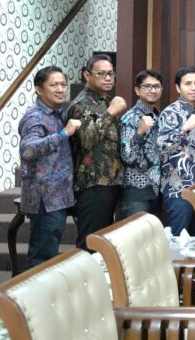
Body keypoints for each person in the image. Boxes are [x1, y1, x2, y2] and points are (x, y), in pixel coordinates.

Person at [19, 66, 81, 268]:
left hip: (59, 195)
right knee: (41, 257)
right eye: (54, 85)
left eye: (63, 84)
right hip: (45, 197)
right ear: (39, 89)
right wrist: (64, 134)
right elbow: (28, 150)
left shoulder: (59, 113)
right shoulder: (35, 117)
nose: (60, 89)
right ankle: (32, 289)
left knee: (49, 253)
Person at [66, 54, 127, 251]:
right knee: (90, 243)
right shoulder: (81, 104)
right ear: (87, 75)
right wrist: (110, 113)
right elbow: (86, 141)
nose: (108, 78)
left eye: (111, 74)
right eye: (101, 74)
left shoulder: (104, 101)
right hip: (92, 183)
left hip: (110, 181)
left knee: (104, 243)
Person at [158, 67, 195, 235]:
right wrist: (184, 129)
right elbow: (161, 146)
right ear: (178, 88)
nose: (194, 87)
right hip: (177, 188)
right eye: (188, 84)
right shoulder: (170, 113)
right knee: (178, 237)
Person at [119, 69, 163, 218]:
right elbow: (127, 156)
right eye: (147, 86)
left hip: (157, 189)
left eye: (157, 86)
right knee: (137, 231)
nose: (153, 90)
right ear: (137, 90)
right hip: (136, 192)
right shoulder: (130, 118)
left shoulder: (159, 117)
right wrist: (139, 132)